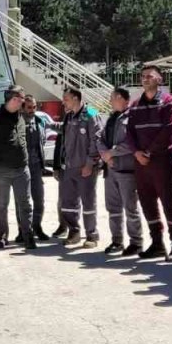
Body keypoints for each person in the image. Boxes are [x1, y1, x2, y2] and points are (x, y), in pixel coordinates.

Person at [126, 65, 172, 258]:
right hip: (141, 164)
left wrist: (148, 152)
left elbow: (169, 129)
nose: (145, 79)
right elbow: (129, 133)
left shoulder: (169, 103)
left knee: (169, 203)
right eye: (143, 76)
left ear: (160, 79)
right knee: (147, 203)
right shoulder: (134, 105)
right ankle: (157, 244)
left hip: (161, 162)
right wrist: (136, 153)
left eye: (149, 76)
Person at [0, 85, 37, 250]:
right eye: (19, 99)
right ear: (11, 99)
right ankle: (2, 235)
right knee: (1, 205)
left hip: (21, 169)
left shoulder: (21, 117)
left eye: (22, 99)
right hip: (1, 170)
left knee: (25, 204)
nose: (22, 102)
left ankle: (27, 235)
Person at [97, 86, 144, 256]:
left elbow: (131, 142)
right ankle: (117, 240)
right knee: (113, 208)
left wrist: (112, 153)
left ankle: (136, 242)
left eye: (112, 97)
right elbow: (100, 138)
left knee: (130, 208)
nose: (110, 101)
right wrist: (105, 155)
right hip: (111, 170)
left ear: (122, 98)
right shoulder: (111, 118)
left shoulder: (133, 117)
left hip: (126, 170)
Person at [57, 87, 103, 248]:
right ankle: (74, 232)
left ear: (76, 98)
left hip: (85, 168)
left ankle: (92, 235)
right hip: (70, 167)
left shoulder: (91, 114)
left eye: (66, 98)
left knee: (88, 202)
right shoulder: (69, 116)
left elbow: (96, 141)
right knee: (68, 203)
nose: (64, 101)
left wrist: (90, 164)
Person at [21, 95, 50, 240]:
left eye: (34, 107)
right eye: (29, 107)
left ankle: (37, 227)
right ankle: (23, 231)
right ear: (23, 107)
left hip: (36, 166)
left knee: (39, 199)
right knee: (23, 200)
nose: (32, 110)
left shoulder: (39, 121)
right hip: (22, 166)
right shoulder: (18, 121)